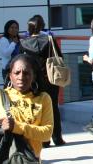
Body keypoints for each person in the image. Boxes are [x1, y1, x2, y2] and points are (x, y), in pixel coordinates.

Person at [20, 15, 65, 146]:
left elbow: (22, 60)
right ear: (42, 26)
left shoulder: (24, 42)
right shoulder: (49, 39)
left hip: (33, 80)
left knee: (37, 108)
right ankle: (57, 138)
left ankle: (43, 139)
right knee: (53, 108)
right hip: (49, 78)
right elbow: (59, 56)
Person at [0, 19, 21, 85]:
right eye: (12, 27)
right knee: (8, 87)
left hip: (17, 68)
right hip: (8, 69)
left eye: (16, 28)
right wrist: (13, 43)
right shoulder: (3, 39)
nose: (14, 29)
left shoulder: (18, 39)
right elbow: (6, 54)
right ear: (7, 28)